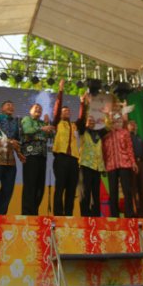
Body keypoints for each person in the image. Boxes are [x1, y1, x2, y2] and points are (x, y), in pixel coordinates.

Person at [0, 100, 24, 214]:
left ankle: (1, 214)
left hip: (10, 161)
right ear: (2, 108)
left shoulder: (16, 122)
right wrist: (11, 142)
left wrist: (19, 153)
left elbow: (17, 140)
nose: (10, 107)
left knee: (8, 189)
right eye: (8, 105)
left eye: (12, 105)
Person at [51, 79, 81, 216]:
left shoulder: (74, 125)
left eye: (68, 111)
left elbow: (83, 117)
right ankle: (58, 214)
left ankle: (69, 215)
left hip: (74, 160)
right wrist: (61, 90)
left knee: (71, 189)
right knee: (60, 187)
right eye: (64, 111)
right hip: (61, 158)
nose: (66, 112)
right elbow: (57, 108)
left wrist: (82, 103)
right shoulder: (57, 123)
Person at [20, 104, 54, 216]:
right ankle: (26, 213)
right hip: (30, 155)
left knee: (40, 187)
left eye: (40, 108)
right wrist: (42, 128)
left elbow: (51, 136)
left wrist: (47, 124)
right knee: (30, 185)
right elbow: (27, 130)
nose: (38, 109)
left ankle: (34, 212)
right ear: (30, 110)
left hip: (42, 157)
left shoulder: (42, 123)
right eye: (36, 108)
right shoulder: (27, 119)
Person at [102, 112, 137, 218]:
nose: (116, 122)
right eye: (114, 121)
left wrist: (133, 162)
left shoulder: (124, 133)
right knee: (113, 191)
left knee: (127, 190)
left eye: (118, 120)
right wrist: (104, 164)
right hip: (111, 165)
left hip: (124, 164)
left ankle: (129, 214)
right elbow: (103, 151)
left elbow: (129, 148)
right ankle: (114, 215)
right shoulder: (106, 135)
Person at [77, 94, 106, 217]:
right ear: (86, 122)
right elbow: (80, 120)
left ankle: (95, 217)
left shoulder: (99, 133)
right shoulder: (83, 131)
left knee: (96, 194)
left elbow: (103, 121)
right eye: (89, 120)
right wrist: (83, 104)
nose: (92, 121)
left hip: (97, 167)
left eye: (93, 120)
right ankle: (85, 216)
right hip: (85, 165)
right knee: (85, 192)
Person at [127, 120, 143, 217]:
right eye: (131, 125)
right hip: (132, 164)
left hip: (142, 164)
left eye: (135, 124)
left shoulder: (139, 138)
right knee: (134, 188)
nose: (133, 126)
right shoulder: (127, 138)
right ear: (127, 127)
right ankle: (135, 211)